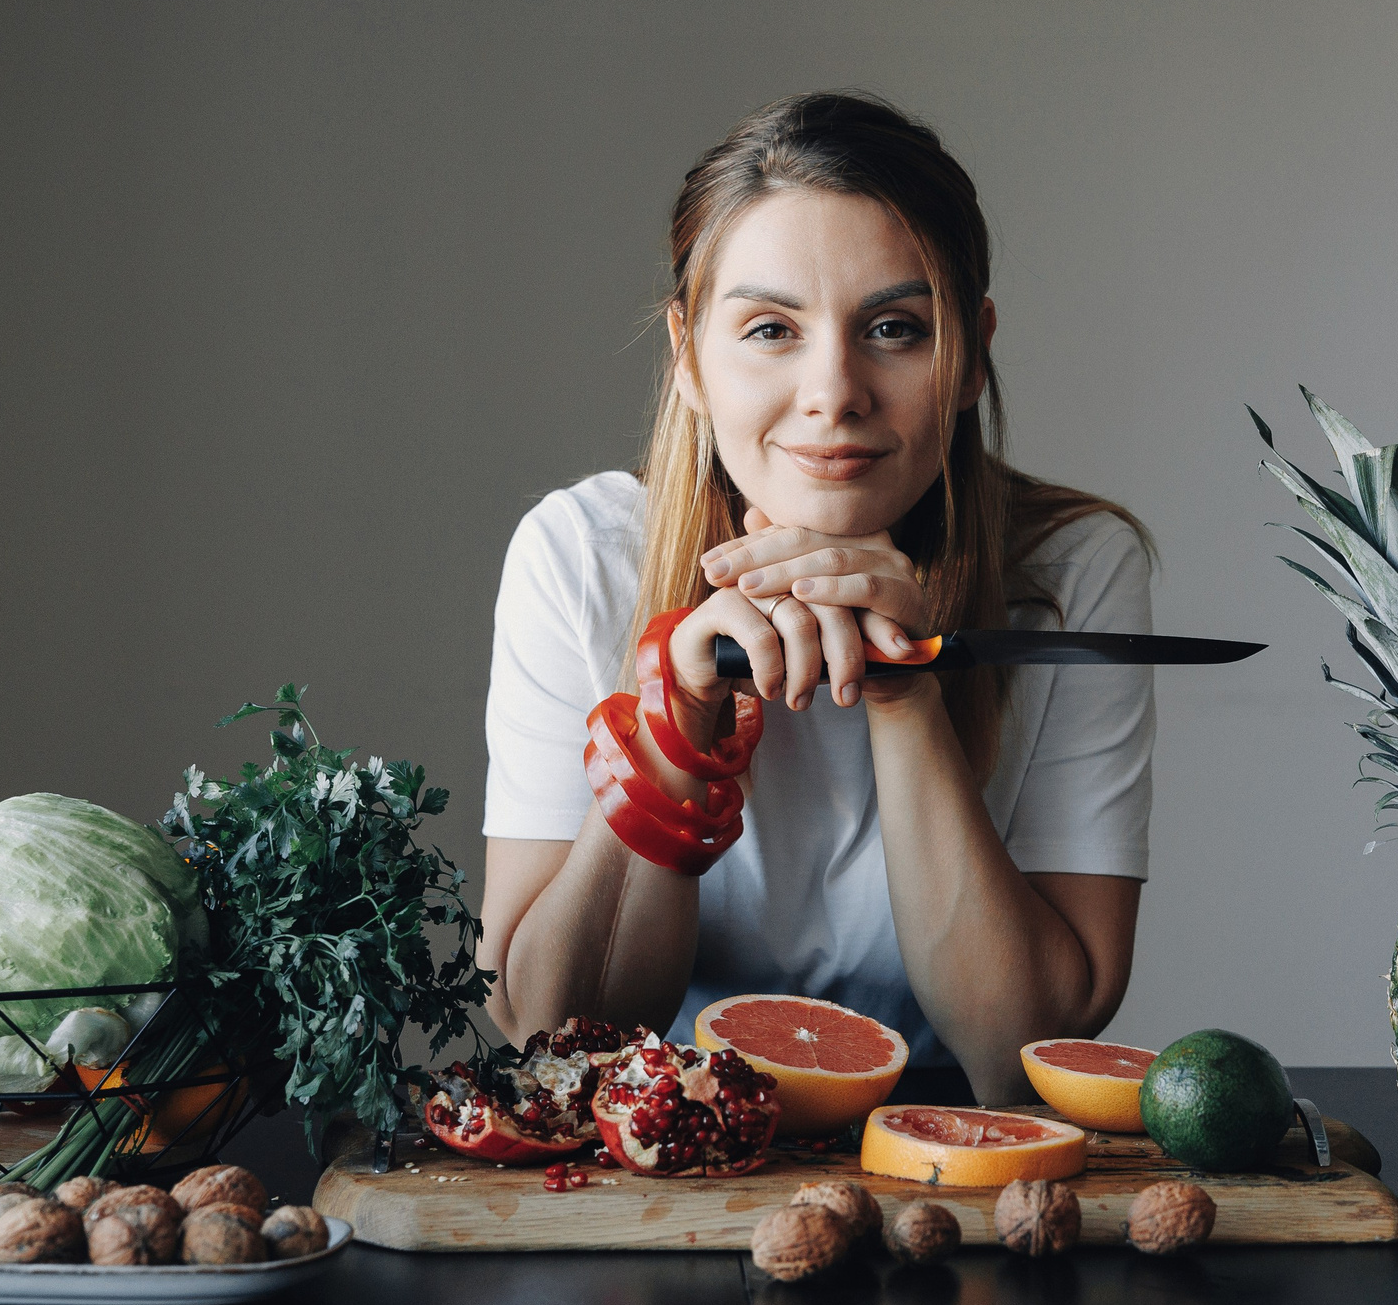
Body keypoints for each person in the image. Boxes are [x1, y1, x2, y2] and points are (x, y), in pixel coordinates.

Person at [478, 92, 1151, 1102]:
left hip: (941, 1162)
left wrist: (906, 692)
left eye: (893, 327)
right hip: (657, 1166)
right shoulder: (582, 558)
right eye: (769, 329)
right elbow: (546, 1029)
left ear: (971, 354)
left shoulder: (1072, 570)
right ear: (688, 358)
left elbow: (1028, 1046)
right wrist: (675, 731)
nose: (834, 390)